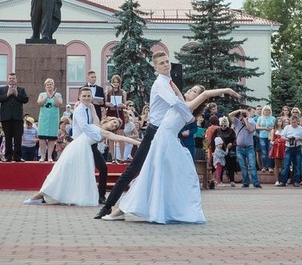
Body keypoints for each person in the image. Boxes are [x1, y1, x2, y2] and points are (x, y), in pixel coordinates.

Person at [102, 85, 240, 223]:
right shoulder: (181, 103)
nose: (191, 91)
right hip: (160, 141)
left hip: (166, 143)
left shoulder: (189, 107)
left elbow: (206, 94)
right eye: (191, 89)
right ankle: (127, 209)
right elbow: (176, 89)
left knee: (150, 175)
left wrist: (226, 90)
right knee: (151, 176)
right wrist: (168, 78)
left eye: (195, 92)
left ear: (197, 98)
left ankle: (122, 210)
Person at [94, 52, 188, 219]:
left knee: (165, 170)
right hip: (154, 132)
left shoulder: (170, 83)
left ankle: (165, 208)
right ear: (156, 67)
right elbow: (174, 103)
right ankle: (108, 207)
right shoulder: (161, 83)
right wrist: (189, 117)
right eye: (162, 63)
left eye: (167, 62)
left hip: (165, 133)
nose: (166, 65)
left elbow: (177, 101)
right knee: (134, 168)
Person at [23, 117, 141, 206]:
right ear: (107, 120)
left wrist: (138, 142)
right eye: (114, 122)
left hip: (83, 152)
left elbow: (120, 138)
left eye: (117, 126)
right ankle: (38, 196)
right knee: (59, 173)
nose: (115, 125)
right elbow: (83, 120)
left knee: (68, 174)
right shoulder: (95, 126)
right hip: (75, 149)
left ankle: (42, 196)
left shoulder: (106, 134)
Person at [0, 73, 29, 162]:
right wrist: (7, 94)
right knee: (7, 138)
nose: (11, 80)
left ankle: (17, 157)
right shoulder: (2, 89)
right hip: (6, 118)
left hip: (17, 118)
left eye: (13, 78)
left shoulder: (21, 89)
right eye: (10, 78)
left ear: (16, 80)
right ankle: (8, 156)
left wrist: (17, 94)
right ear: (7, 79)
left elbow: (26, 100)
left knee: (18, 138)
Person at [229, 107, 261, 188]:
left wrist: (246, 120)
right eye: (242, 115)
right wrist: (239, 111)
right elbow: (230, 115)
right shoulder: (237, 122)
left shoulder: (252, 121)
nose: (243, 117)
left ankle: (256, 183)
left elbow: (250, 130)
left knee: (252, 165)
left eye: (245, 115)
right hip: (239, 148)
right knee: (243, 166)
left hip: (249, 148)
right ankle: (246, 182)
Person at [37, 78, 63, 162]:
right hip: (44, 119)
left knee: (52, 139)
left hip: (53, 120)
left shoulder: (58, 95)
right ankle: (42, 156)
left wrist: (53, 96)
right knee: (42, 138)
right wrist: (47, 96)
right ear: (45, 87)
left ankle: (49, 156)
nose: (49, 86)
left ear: (53, 86)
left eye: (51, 84)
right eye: (47, 84)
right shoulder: (42, 94)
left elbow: (58, 104)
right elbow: (39, 103)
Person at [278, 115, 302, 187]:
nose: (293, 123)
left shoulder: (301, 129)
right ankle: (282, 181)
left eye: (295, 122)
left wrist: (298, 138)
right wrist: (288, 139)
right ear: (290, 121)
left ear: (298, 122)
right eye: (292, 122)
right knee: (286, 164)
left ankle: (296, 181)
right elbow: (282, 137)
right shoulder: (287, 127)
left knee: (297, 165)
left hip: (297, 147)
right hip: (288, 147)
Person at [104, 74, 127, 162]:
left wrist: (122, 105)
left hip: (119, 113)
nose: (116, 84)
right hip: (111, 113)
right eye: (114, 82)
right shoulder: (108, 92)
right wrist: (108, 104)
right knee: (111, 136)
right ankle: (113, 157)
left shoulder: (123, 92)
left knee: (120, 135)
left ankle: (122, 157)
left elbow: (125, 105)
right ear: (111, 83)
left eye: (117, 82)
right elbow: (105, 103)